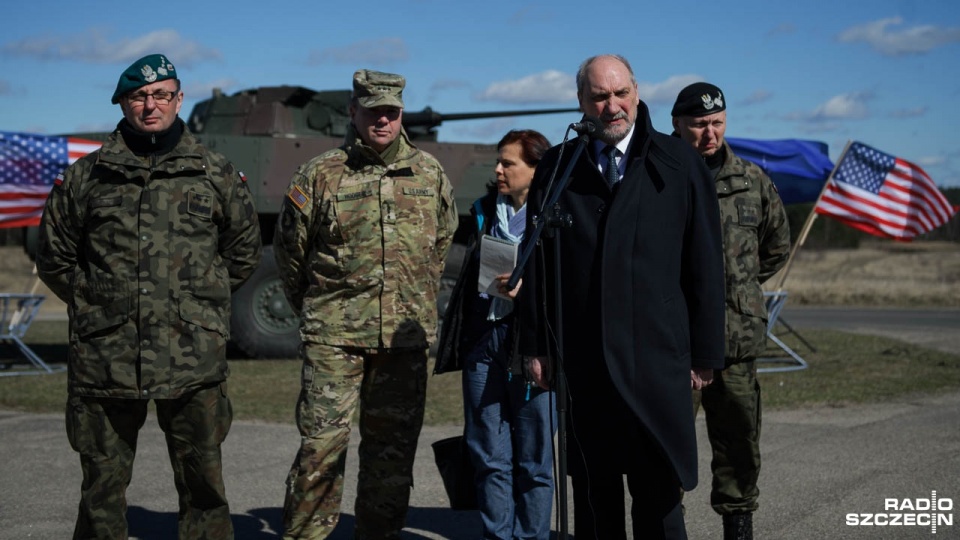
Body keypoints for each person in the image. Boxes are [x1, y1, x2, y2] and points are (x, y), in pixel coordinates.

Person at [36, 53, 262, 539]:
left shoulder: (214, 173)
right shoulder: (87, 176)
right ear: (122, 103)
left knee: (204, 487)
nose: (151, 105)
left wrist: (200, 305)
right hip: (106, 357)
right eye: (139, 96)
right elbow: (55, 256)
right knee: (101, 489)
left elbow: (242, 252)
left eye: (162, 94)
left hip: (192, 355)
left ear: (179, 99)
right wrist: (99, 304)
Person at [516, 54, 726, 540]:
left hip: (658, 361)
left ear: (636, 91)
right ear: (581, 103)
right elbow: (537, 263)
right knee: (594, 500)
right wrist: (536, 345)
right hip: (586, 365)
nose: (613, 107)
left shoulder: (678, 164)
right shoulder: (557, 167)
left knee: (659, 502)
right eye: (599, 97)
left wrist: (705, 352)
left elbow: (705, 267)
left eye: (621, 94)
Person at [273, 68, 458, 540]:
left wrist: (411, 301)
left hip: (402, 339)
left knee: (392, 454)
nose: (382, 120)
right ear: (353, 112)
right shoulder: (319, 174)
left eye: (391, 112)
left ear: (401, 114)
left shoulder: (429, 173)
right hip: (334, 338)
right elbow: (291, 255)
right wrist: (319, 310)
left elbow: (439, 249)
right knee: (321, 450)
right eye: (373, 111)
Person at [671, 82, 791, 540]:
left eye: (717, 123)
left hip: (736, 339)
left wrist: (734, 288)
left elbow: (775, 247)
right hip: (677, 341)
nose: (709, 133)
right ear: (677, 125)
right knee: (669, 445)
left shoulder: (751, 180)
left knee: (739, 441)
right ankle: (668, 526)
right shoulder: (661, 176)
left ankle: (738, 527)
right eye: (699, 124)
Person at [435, 129, 557, 539]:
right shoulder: (485, 210)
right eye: (499, 161)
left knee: (534, 461)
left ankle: (531, 535)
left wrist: (530, 291)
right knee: (488, 456)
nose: (499, 170)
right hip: (484, 344)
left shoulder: (556, 216)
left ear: (537, 170)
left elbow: (571, 286)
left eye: (510, 163)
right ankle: (496, 535)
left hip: (532, 346)